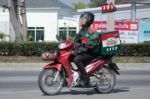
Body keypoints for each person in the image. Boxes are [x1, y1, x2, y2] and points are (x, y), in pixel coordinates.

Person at [73, 12, 99, 86]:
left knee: (77, 59)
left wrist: (86, 43)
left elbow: (94, 40)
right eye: (81, 19)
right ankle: (77, 75)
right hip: (85, 51)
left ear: (89, 20)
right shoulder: (82, 30)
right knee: (70, 56)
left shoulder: (92, 30)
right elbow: (76, 39)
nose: (81, 20)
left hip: (91, 52)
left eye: (83, 19)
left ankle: (86, 78)